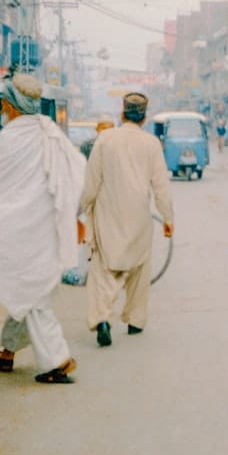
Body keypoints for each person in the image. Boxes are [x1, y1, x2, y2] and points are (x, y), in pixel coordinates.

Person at [0, 74, 85, 384]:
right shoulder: (50, 132)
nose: (0, 106)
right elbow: (74, 176)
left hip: (23, 232)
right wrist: (76, 218)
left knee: (33, 296)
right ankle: (8, 352)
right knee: (29, 290)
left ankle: (57, 361)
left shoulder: (10, 138)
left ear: (10, 105)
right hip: (45, 228)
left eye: (3, 101)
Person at [80, 93, 174, 348]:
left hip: (107, 215)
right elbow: (161, 187)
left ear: (122, 115)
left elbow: (91, 182)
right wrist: (168, 218)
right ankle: (135, 320)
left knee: (103, 269)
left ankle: (102, 319)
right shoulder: (151, 143)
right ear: (144, 118)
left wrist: (80, 209)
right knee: (139, 269)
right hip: (139, 217)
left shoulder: (105, 139)